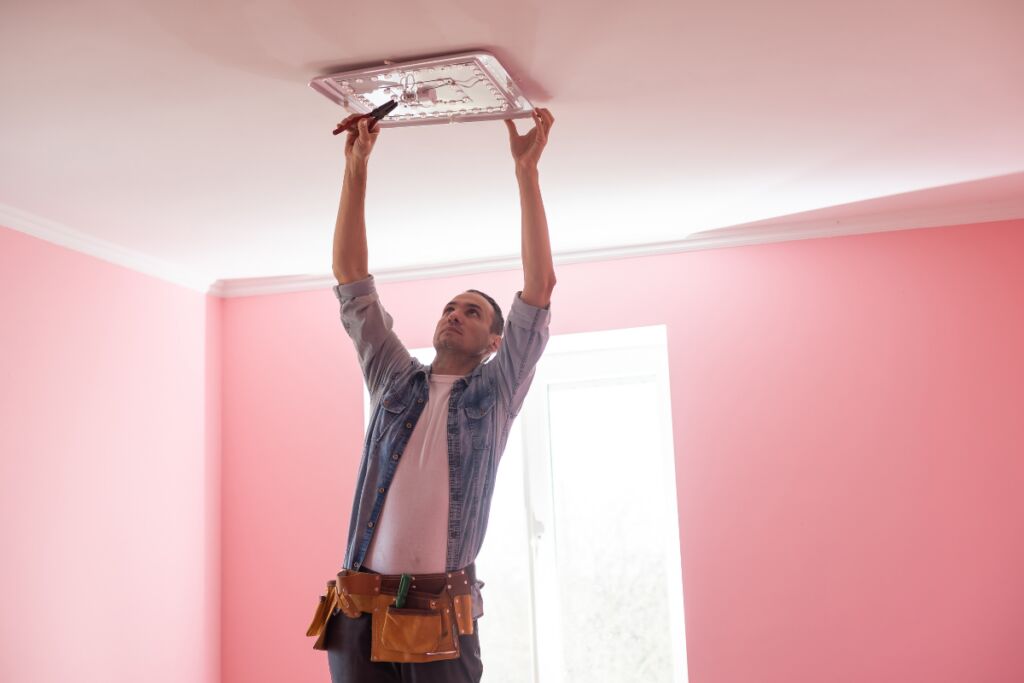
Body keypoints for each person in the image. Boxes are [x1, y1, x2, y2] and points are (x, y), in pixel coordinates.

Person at [314, 107, 556, 683]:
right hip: (359, 605)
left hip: (440, 610)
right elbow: (352, 281)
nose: (455, 315)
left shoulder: (496, 392)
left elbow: (539, 291)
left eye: (472, 312)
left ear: (495, 340)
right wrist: (357, 166)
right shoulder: (394, 378)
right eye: (450, 307)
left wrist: (526, 173)